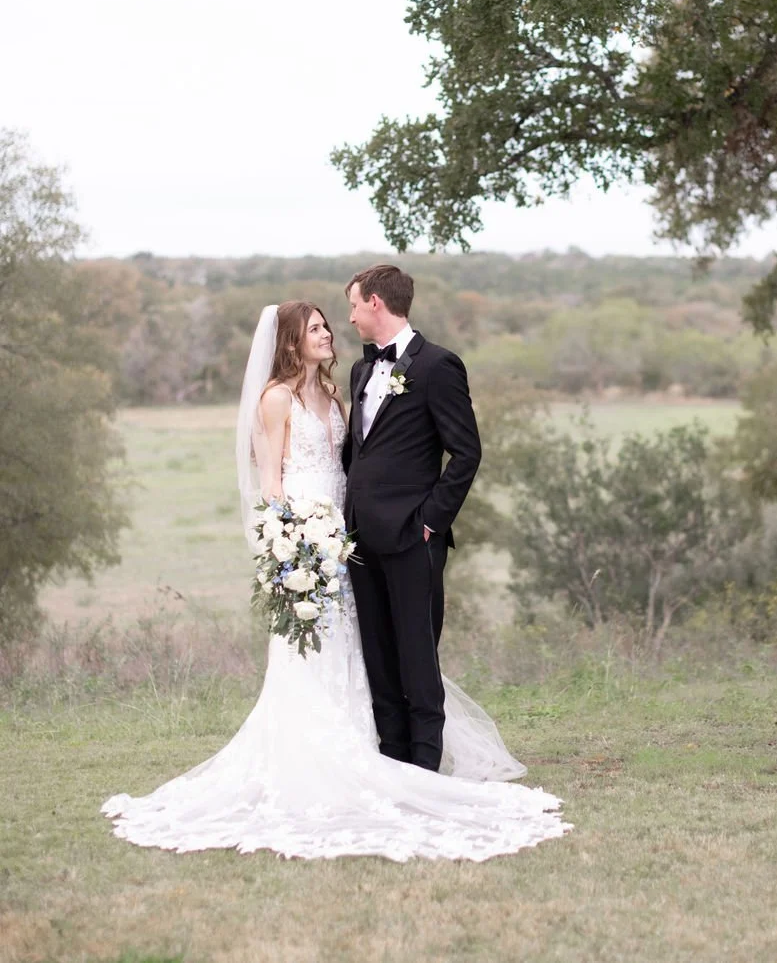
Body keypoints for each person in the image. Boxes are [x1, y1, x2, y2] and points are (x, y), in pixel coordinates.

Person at [102, 300, 568, 861]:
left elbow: (359, 465)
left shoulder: (337, 391)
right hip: (306, 546)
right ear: (291, 342)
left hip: (350, 543)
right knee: (311, 656)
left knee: (361, 653)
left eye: (332, 320)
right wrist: (289, 550)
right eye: (316, 328)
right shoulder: (276, 398)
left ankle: (378, 754)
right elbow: (269, 482)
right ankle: (313, 765)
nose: (330, 332)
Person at [342, 263, 478, 771]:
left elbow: (465, 454)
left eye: (354, 305)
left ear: (376, 302)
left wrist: (430, 523)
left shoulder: (438, 366)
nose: (351, 317)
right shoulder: (360, 370)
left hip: (412, 538)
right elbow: (358, 454)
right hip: (359, 539)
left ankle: (425, 768)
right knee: (376, 653)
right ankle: (391, 762)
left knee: (417, 656)